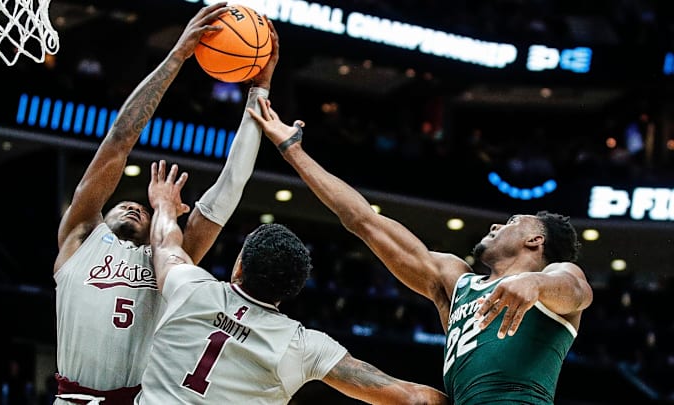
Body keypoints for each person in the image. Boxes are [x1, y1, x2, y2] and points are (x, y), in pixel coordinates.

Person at [246, 98, 595, 404]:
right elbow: (362, 220)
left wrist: (536, 284)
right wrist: (293, 151)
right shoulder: (455, 282)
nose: (495, 226)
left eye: (512, 221)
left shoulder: (555, 280)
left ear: (536, 241)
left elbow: (578, 292)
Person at [52, 3, 280, 403]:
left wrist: (258, 93)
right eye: (125, 203)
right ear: (100, 215)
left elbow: (229, 188)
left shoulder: (172, 261)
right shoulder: (79, 236)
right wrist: (177, 56)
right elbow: (119, 139)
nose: (134, 206)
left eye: (143, 207)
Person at [136, 160, 449, 404]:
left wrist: (164, 203)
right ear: (294, 289)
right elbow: (411, 398)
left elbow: (165, 243)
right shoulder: (302, 346)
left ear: (239, 266)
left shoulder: (190, 286)